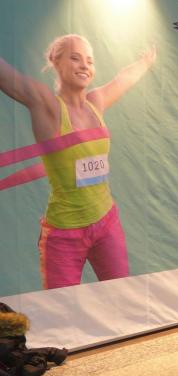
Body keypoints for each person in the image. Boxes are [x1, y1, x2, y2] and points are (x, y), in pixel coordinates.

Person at [0, 34, 156, 289]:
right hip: (64, 234)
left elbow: (123, 80)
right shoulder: (48, 107)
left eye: (90, 61)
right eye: (75, 58)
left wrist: (146, 62)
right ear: (56, 61)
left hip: (106, 223)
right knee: (60, 308)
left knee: (120, 297)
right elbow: (7, 77)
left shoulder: (96, 102)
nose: (84, 65)